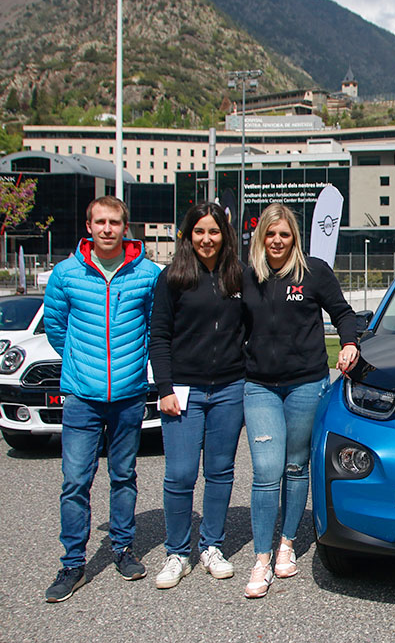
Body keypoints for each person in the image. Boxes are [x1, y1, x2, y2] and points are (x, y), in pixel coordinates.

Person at [42, 196, 162, 602]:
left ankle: (123, 548)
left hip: (128, 393)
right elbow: (57, 328)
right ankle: (73, 563)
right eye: (100, 222)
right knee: (75, 481)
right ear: (88, 226)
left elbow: (153, 326)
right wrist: (82, 364)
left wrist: (132, 364)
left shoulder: (147, 274)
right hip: (81, 396)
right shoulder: (65, 274)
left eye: (115, 222)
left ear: (126, 228)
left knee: (123, 476)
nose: (107, 229)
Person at [241, 203, 359, 598]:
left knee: (295, 466)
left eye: (284, 234)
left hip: (305, 384)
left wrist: (349, 344)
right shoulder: (247, 276)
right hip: (258, 386)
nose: (277, 241)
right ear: (261, 237)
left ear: (294, 237)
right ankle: (260, 558)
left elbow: (344, 313)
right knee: (266, 468)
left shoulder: (314, 272)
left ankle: (286, 544)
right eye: (270, 234)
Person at [148, 203, 247, 589]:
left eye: (215, 231)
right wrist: (165, 388)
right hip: (183, 391)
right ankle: (177, 552)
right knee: (180, 474)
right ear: (188, 236)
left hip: (229, 388)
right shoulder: (172, 278)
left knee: (220, 472)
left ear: (225, 235)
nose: (207, 239)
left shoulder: (238, 276)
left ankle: (211, 546)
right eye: (199, 232)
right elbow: (158, 337)